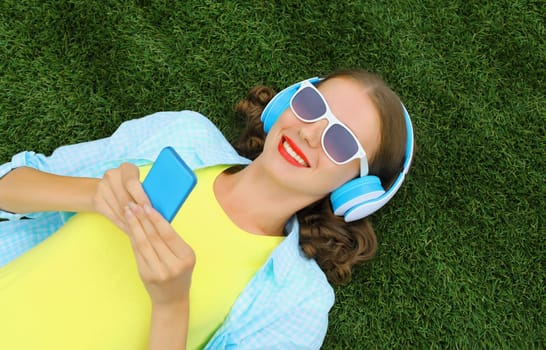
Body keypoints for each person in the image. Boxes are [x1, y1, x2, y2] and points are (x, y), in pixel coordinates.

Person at [0, 69, 413, 349]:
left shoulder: (297, 304)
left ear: (355, 191)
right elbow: (10, 185)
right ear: (287, 103)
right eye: (311, 107)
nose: (309, 132)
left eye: (340, 142)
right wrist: (91, 195)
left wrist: (172, 304)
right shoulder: (184, 134)